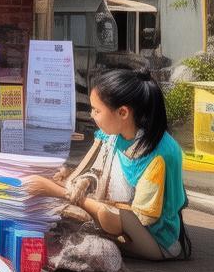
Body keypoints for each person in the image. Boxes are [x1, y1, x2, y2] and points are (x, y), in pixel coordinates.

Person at [24, 67, 189, 260]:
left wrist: (58, 191)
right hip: (120, 222)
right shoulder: (113, 136)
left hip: (154, 242)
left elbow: (133, 218)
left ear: (123, 112)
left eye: (96, 110)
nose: (92, 116)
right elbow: (93, 172)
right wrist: (76, 179)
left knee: (99, 216)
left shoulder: (159, 154)